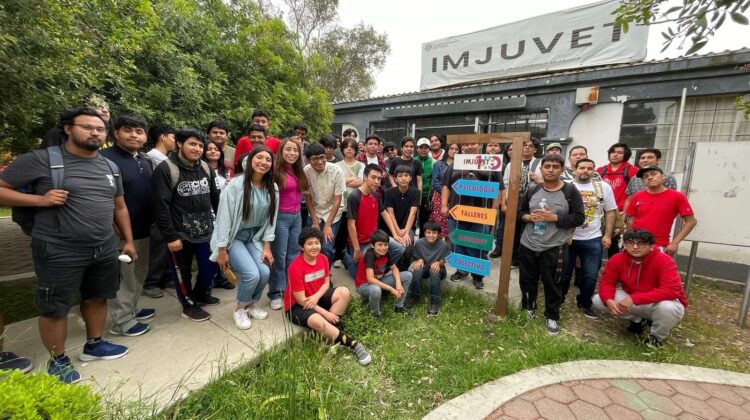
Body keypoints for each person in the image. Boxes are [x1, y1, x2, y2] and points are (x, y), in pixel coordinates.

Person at [0, 107, 134, 383]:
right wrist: (39, 200)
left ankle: (94, 344)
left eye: (100, 129)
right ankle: (58, 359)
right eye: (88, 127)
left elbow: (119, 207)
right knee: (55, 307)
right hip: (59, 248)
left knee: (97, 296)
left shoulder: (109, 166)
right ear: (68, 128)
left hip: (103, 246)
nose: (95, 133)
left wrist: (128, 240)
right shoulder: (42, 159)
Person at [153, 127, 220, 322]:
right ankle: (188, 305)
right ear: (180, 144)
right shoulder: (166, 169)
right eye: (192, 144)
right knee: (182, 273)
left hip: (206, 230)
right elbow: (160, 206)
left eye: (200, 145)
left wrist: (222, 226)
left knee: (211, 266)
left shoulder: (205, 168)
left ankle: (200, 294)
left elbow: (216, 198)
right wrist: (170, 236)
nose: (197, 149)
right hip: (180, 234)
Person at [212, 146, 278, 330]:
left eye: (268, 159)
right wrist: (222, 249)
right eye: (259, 158)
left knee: (264, 272)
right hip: (234, 237)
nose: (263, 162)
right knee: (251, 274)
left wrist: (267, 246)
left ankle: (251, 304)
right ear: (250, 161)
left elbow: (271, 219)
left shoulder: (272, 187)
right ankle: (240, 308)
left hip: (254, 236)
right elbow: (223, 218)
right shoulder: (236, 185)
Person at [101, 114, 156, 337]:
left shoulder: (143, 159)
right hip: (120, 232)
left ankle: (132, 308)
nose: (134, 135)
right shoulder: (105, 159)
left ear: (145, 136)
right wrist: (116, 227)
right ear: (116, 133)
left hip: (143, 227)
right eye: (128, 130)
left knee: (138, 272)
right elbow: (104, 198)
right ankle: (121, 321)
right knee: (123, 277)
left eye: (139, 131)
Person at [284, 227, 372, 365]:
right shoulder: (295, 267)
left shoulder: (323, 258)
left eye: (317, 243)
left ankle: (328, 335)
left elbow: (326, 283)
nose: (315, 247)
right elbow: (301, 300)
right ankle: (353, 344)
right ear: (302, 247)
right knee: (318, 320)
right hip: (297, 306)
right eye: (310, 243)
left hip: (316, 297)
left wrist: (316, 296)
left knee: (344, 292)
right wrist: (326, 313)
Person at [518, 154, 585, 336]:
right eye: (547, 166)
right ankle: (529, 307)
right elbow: (520, 212)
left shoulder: (570, 191)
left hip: (554, 246)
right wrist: (528, 217)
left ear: (562, 170)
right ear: (541, 169)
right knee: (527, 279)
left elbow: (579, 218)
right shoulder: (533, 189)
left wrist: (554, 217)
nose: (550, 170)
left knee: (553, 282)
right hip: (529, 243)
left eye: (555, 167)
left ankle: (552, 316)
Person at [592, 229, 688, 346]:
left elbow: (671, 290)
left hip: (659, 301)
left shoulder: (664, 260)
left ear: (651, 246)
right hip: (634, 297)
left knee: (667, 308)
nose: (635, 247)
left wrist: (633, 299)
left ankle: (656, 338)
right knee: (599, 300)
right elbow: (607, 283)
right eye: (630, 243)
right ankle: (639, 320)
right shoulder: (617, 259)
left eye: (641, 243)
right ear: (624, 244)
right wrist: (608, 300)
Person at [442, 142, 504, 289]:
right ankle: (461, 271)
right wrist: (444, 205)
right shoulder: (455, 164)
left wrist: (494, 209)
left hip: (481, 214)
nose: (470, 146)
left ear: (479, 145)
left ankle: (477, 275)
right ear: (463, 146)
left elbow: (499, 188)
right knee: (457, 242)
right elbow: (446, 186)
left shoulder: (490, 163)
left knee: (478, 244)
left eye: (473, 144)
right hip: (456, 212)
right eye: (467, 144)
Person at [562, 158, 617, 319]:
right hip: (568, 237)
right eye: (582, 168)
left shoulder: (603, 187)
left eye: (589, 168)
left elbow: (610, 211)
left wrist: (607, 235)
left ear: (594, 171)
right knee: (564, 273)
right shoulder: (566, 186)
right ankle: (559, 300)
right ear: (574, 170)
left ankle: (584, 303)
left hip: (593, 237)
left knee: (591, 275)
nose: (585, 171)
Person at [344, 164, 405, 278]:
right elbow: (351, 224)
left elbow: (385, 214)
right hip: (360, 243)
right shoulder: (355, 196)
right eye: (373, 177)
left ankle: (379, 269)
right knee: (360, 277)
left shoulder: (376, 195)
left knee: (399, 248)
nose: (377, 181)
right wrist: (356, 248)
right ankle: (346, 258)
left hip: (375, 239)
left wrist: (395, 234)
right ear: (365, 177)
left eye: (379, 178)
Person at [268, 138, 308, 310]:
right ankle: (276, 293)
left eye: (295, 150)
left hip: (297, 216)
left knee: (293, 255)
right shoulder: (275, 170)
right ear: (281, 151)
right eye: (288, 149)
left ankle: (291, 289)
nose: (292, 153)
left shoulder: (298, 170)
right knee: (279, 256)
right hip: (280, 217)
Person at [625, 166, 697, 256]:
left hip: (659, 244)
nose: (650, 177)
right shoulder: (637, 196)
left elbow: (691, 222)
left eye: (653, 174)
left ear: (663, 176)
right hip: (636, 244)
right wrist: (628, 241)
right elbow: (631, 221)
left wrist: (675, 243)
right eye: (645, 176)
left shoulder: (677, 197)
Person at [142, 123, 177, 298]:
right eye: (173, 137)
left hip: (170, 208)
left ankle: (166, 277)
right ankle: (150, 283)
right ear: (162, 137)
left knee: (168, 246)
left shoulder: (164, 157)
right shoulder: (152, 158)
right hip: (159, 209)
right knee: (158, 247)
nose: (175, 142)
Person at [304, 143, 346, 266]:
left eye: (322, 157)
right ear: (308, 160)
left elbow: (337, 200)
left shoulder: (337, 171)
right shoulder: (306, 171)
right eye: (315, 159)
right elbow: (307, 197)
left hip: (332, 211)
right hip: (314, 211)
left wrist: (327, 225)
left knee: (327, 247)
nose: (319, 161)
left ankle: (326, 271)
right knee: (312, 244)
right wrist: (315, 222)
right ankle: (314, 270)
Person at [355, 230, 413, 318]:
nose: (383, 248)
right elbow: (370, 279)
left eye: (385, 245)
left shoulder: (386, 253)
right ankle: (375, 315)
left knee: (408, 275)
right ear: (372, 245)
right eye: (380, 245)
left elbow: (394, 268)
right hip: (364, 285)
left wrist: (398, 283)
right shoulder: (370, 254)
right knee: (376, 289)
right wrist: (391, 289)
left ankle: (399, 307)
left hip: (379, 280)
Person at [503, 138, 542, 265]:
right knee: (513, 230)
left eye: (530, 146)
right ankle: (514, 257)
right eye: (524, 145)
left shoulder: (541, 163)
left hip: (533, 201)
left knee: (529, 229)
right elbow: (505, 184)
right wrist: (505, 202)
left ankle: (526, 258)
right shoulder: (511, 164)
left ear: (535, 149)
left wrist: (538, 180)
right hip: (514, 200)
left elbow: (549, 182)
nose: (527, 148)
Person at [597, 142, 638, 257]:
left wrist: (625, 215)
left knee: (616, 246)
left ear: (626, 155)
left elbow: (634, 195)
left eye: (620, 153)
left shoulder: (633, 171)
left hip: (621, 213)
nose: (615, 155)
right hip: (601, 213)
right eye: (613, 152)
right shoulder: (600, 170)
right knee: (597, 243)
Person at [405, 221, 450, 316]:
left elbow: (444, 260)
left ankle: (435, 301)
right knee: (417, 270)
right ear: (424, 233)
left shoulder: (443, 244)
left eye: (434, 233)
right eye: (428, 232)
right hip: (425, 267)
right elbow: (416, 256)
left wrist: (438, 263)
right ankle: (415, 295)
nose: (431, 235)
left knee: (434, 271)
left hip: (439, 268)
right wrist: (420, 259)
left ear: (438, 234)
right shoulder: (419, 243)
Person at [333, 138, 365, 266]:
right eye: (346, 147)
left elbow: (362, 182)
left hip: (356, 203)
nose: (349, 149)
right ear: (342, 150)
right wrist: (353, 178)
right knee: (341, 232)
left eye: (352, 147)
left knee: (353, 231)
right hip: (340, 204)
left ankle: (351, 257)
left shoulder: (361, 165)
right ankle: (338, 257)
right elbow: (335, 183)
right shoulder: (336, 166)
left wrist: (345, 181)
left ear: (356, 150)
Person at [385, 165, 421, 266]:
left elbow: (413, 213)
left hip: (408, 227)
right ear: (395, 179)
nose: (403, 178)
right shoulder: (389, 192)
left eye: (406, 175)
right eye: (400, 176)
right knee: (393, 247)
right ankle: (392, 268)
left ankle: (404, 270)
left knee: (408, 246)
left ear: (410, 177)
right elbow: (390, 214)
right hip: (393, 227)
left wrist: (406, 232)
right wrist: (397, 231)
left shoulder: (416, 192)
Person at [430, 143, 458, 241]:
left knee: (453, 225)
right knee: (439, 224)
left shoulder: (462, 165)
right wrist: (446, 194)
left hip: (456, 199)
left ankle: (450, 246)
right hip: (440, 197)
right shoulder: (438, 164)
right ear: (447, 150)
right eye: (451, 148)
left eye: (456, 149)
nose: (454, 151)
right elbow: (435, 182)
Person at [415, 138, 434, 238]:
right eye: (421, 147)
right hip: (413, 194)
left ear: (429, 149)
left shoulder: (433, 162)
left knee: (424, 220)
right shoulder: (413, 160)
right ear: (417, 149)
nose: (423, 150)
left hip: (427, 195)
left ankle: (422, 240)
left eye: (426, 148)